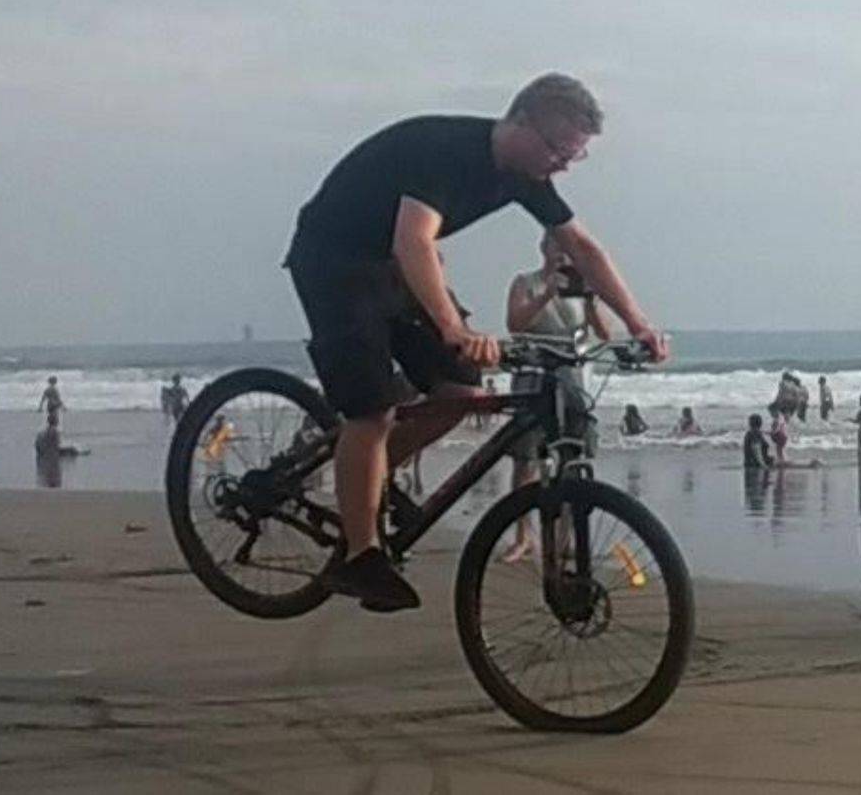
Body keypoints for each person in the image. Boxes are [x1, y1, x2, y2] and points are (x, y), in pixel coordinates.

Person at [283, 73, 667, 612]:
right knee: (371, 412)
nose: (562, 165)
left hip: (392, 264)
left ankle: (367, 486)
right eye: (558, 150)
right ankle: (360, 554)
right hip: (334, 259)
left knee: (461, 395)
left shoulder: (525, 175)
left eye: (573, 157)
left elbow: (583, 248)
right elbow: (415, 240)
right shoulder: (445, 151)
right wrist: (454, 327)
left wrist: (638, 324)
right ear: (521, 122)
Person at [502, 230, 614, 562]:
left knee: (573, 457)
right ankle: (523, 535)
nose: (563, 254)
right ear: (544, 248)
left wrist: (590, 299)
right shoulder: (526, 282)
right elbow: (515, 325)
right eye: (557, 247)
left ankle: (567, 537)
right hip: (534, 374)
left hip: (574, 378)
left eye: (568, 249)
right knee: (526, 458)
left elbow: (605, 333)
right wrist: (546, 294)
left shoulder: (582, 285)